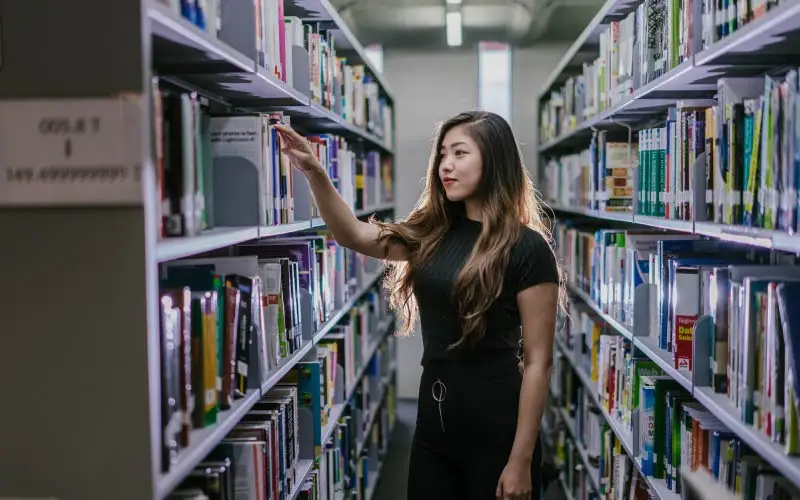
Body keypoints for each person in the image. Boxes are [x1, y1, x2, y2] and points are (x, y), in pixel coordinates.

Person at [275, 110, 562, 500]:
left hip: (497, 428)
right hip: (434, 421)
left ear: (494, 160)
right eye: (442, 154)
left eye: (460, 153)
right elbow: (353, 234)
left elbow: (538, 361)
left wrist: (521, 460)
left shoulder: (528, 249)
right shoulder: (433, 233)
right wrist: (314, 172)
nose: (446, 165)